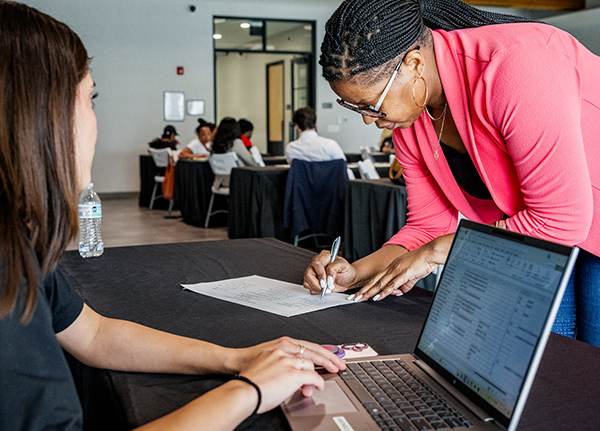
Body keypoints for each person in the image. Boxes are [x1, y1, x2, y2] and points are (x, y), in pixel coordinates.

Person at [0, 3, 345, 429]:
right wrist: (249, 390)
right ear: (41, 115)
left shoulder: (15, 246)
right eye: (90, 98)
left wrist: (236, 358)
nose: (95, 119)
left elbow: (93, 334)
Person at [303, 0, 600, 347]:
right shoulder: (411, 118)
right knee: (546, 359)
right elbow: (427, 227)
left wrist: (439, 250)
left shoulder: (516, 66)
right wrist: (356, 272)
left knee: (588, 369)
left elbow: (562, 220)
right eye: (355, 107)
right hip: (536, 234)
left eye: (371, 105)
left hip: (567, 223)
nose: (369, 119)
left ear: (413, 64)